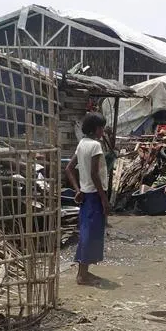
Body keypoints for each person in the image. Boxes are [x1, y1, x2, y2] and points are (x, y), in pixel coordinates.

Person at [65, 113, 109, 286]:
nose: (102, 132)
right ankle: (82, 275)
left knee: (87, 233)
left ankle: (84, 272)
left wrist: (77, 190)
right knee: (90, 235)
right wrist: (104, 199)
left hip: (85, 195)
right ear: (95, 129)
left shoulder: (82, 144)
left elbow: (68, 168)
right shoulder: (95, 146)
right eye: (101, 128)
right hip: (95, 195)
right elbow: (94, 174)